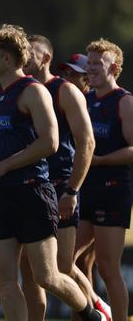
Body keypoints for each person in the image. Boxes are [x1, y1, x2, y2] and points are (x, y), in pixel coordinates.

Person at [0, 24, 105, 321]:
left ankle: (91, 314)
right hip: (1, 194)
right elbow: (5, 153)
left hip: (33, 191)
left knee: (47, 276)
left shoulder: (33, 91)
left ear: (6, 59)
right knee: (5, 281)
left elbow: (50, 142)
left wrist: (2, 166)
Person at [20, 35, 103, 320]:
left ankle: (95, 311)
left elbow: (87, 143)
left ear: (45, 58)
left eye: (32, 52)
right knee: (28, 270)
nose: (25, 55)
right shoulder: (20, 90)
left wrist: (72, 190)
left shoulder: (65, 91)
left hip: (59, 186)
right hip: (29, 187)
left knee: (61, 267)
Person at [74, 38, 133, 321]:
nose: (91, 69)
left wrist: (99, 161)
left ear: (115, 68)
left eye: (99, 63)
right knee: (64, 259)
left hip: (112, 190)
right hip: (83, 190)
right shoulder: (84, 100)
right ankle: (93, 311)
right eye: (90, 63)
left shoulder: (124, 102)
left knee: (108, 268)